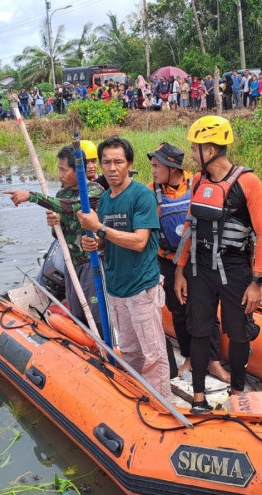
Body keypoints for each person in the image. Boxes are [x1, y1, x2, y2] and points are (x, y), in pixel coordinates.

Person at [174, 116, 262, 414]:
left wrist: (257, 283)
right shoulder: (199, 181)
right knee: (200, 330)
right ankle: (200, 398)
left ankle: (238, 393)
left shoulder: (248, 182)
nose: (191, 153)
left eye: (195, 148)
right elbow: (191, 226)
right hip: (201, 269)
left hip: (235, 269)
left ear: (212, 149)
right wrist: (180, 270)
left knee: (239, 332)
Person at [77, 137, 172, 400]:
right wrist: (93, 242)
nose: (112, 168)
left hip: (141, 287)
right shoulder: (105, 200)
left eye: (118, 161)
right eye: (106, 162)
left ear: (129, 163)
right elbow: (106, 243)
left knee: (153, 353)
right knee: (129, 350)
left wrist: (100, 229)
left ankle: (163, 403)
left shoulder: (142, 195)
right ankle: (139, 397)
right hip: (116, 287)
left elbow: (140, 241)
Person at [146, 142, 230, 382]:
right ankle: (190, 358)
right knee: (179, 311)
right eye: (152, 165)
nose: (152, 170)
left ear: (173, 167)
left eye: (156, 165)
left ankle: (213, 362)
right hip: (169, 262)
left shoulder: (198, 184)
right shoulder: (150, 191)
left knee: (207, 311)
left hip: (201, 260)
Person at [3, 146, 105, 335]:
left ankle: (106, 350)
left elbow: (70, 207)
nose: (60, 175)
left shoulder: (94, 191)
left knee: (96, 314)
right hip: (71, 263)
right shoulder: (62, 194)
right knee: (76, 311)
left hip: (92, 263)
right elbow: (59, 234)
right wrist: (54, 224)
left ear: (78, 170)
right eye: (58, 169)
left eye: (63, 170)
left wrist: (32, 196)